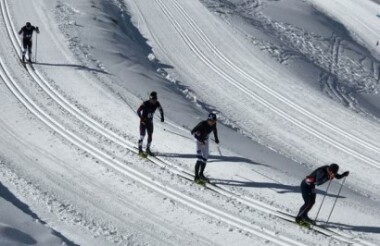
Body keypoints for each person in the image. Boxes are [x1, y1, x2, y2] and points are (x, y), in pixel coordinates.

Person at [190, 112, 220, 183]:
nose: (212, 122)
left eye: (214, 121)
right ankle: (196, 176)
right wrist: (200, 140)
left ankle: (201, 174)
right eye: (211, 121)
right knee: (199, 158)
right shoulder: (202, 124)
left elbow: (214, 130)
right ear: (208, 120)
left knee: (205, 158)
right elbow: (192, 132)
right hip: (198, 141)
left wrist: (216, 138)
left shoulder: (214, 124)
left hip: (206, 140)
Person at [136, 91, 164, 156]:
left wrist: (162, 117)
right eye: (153, 99)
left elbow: (161, 109)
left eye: (155, 99)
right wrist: (141, 118)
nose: (154, 101)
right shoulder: (145, 103)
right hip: (143, 122)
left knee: (150, 136)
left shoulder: (157, 103)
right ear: (150, 99)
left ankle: (147, 149)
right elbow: (138, 111)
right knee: (142, 136)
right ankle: (140, 150)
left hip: (150, 123)